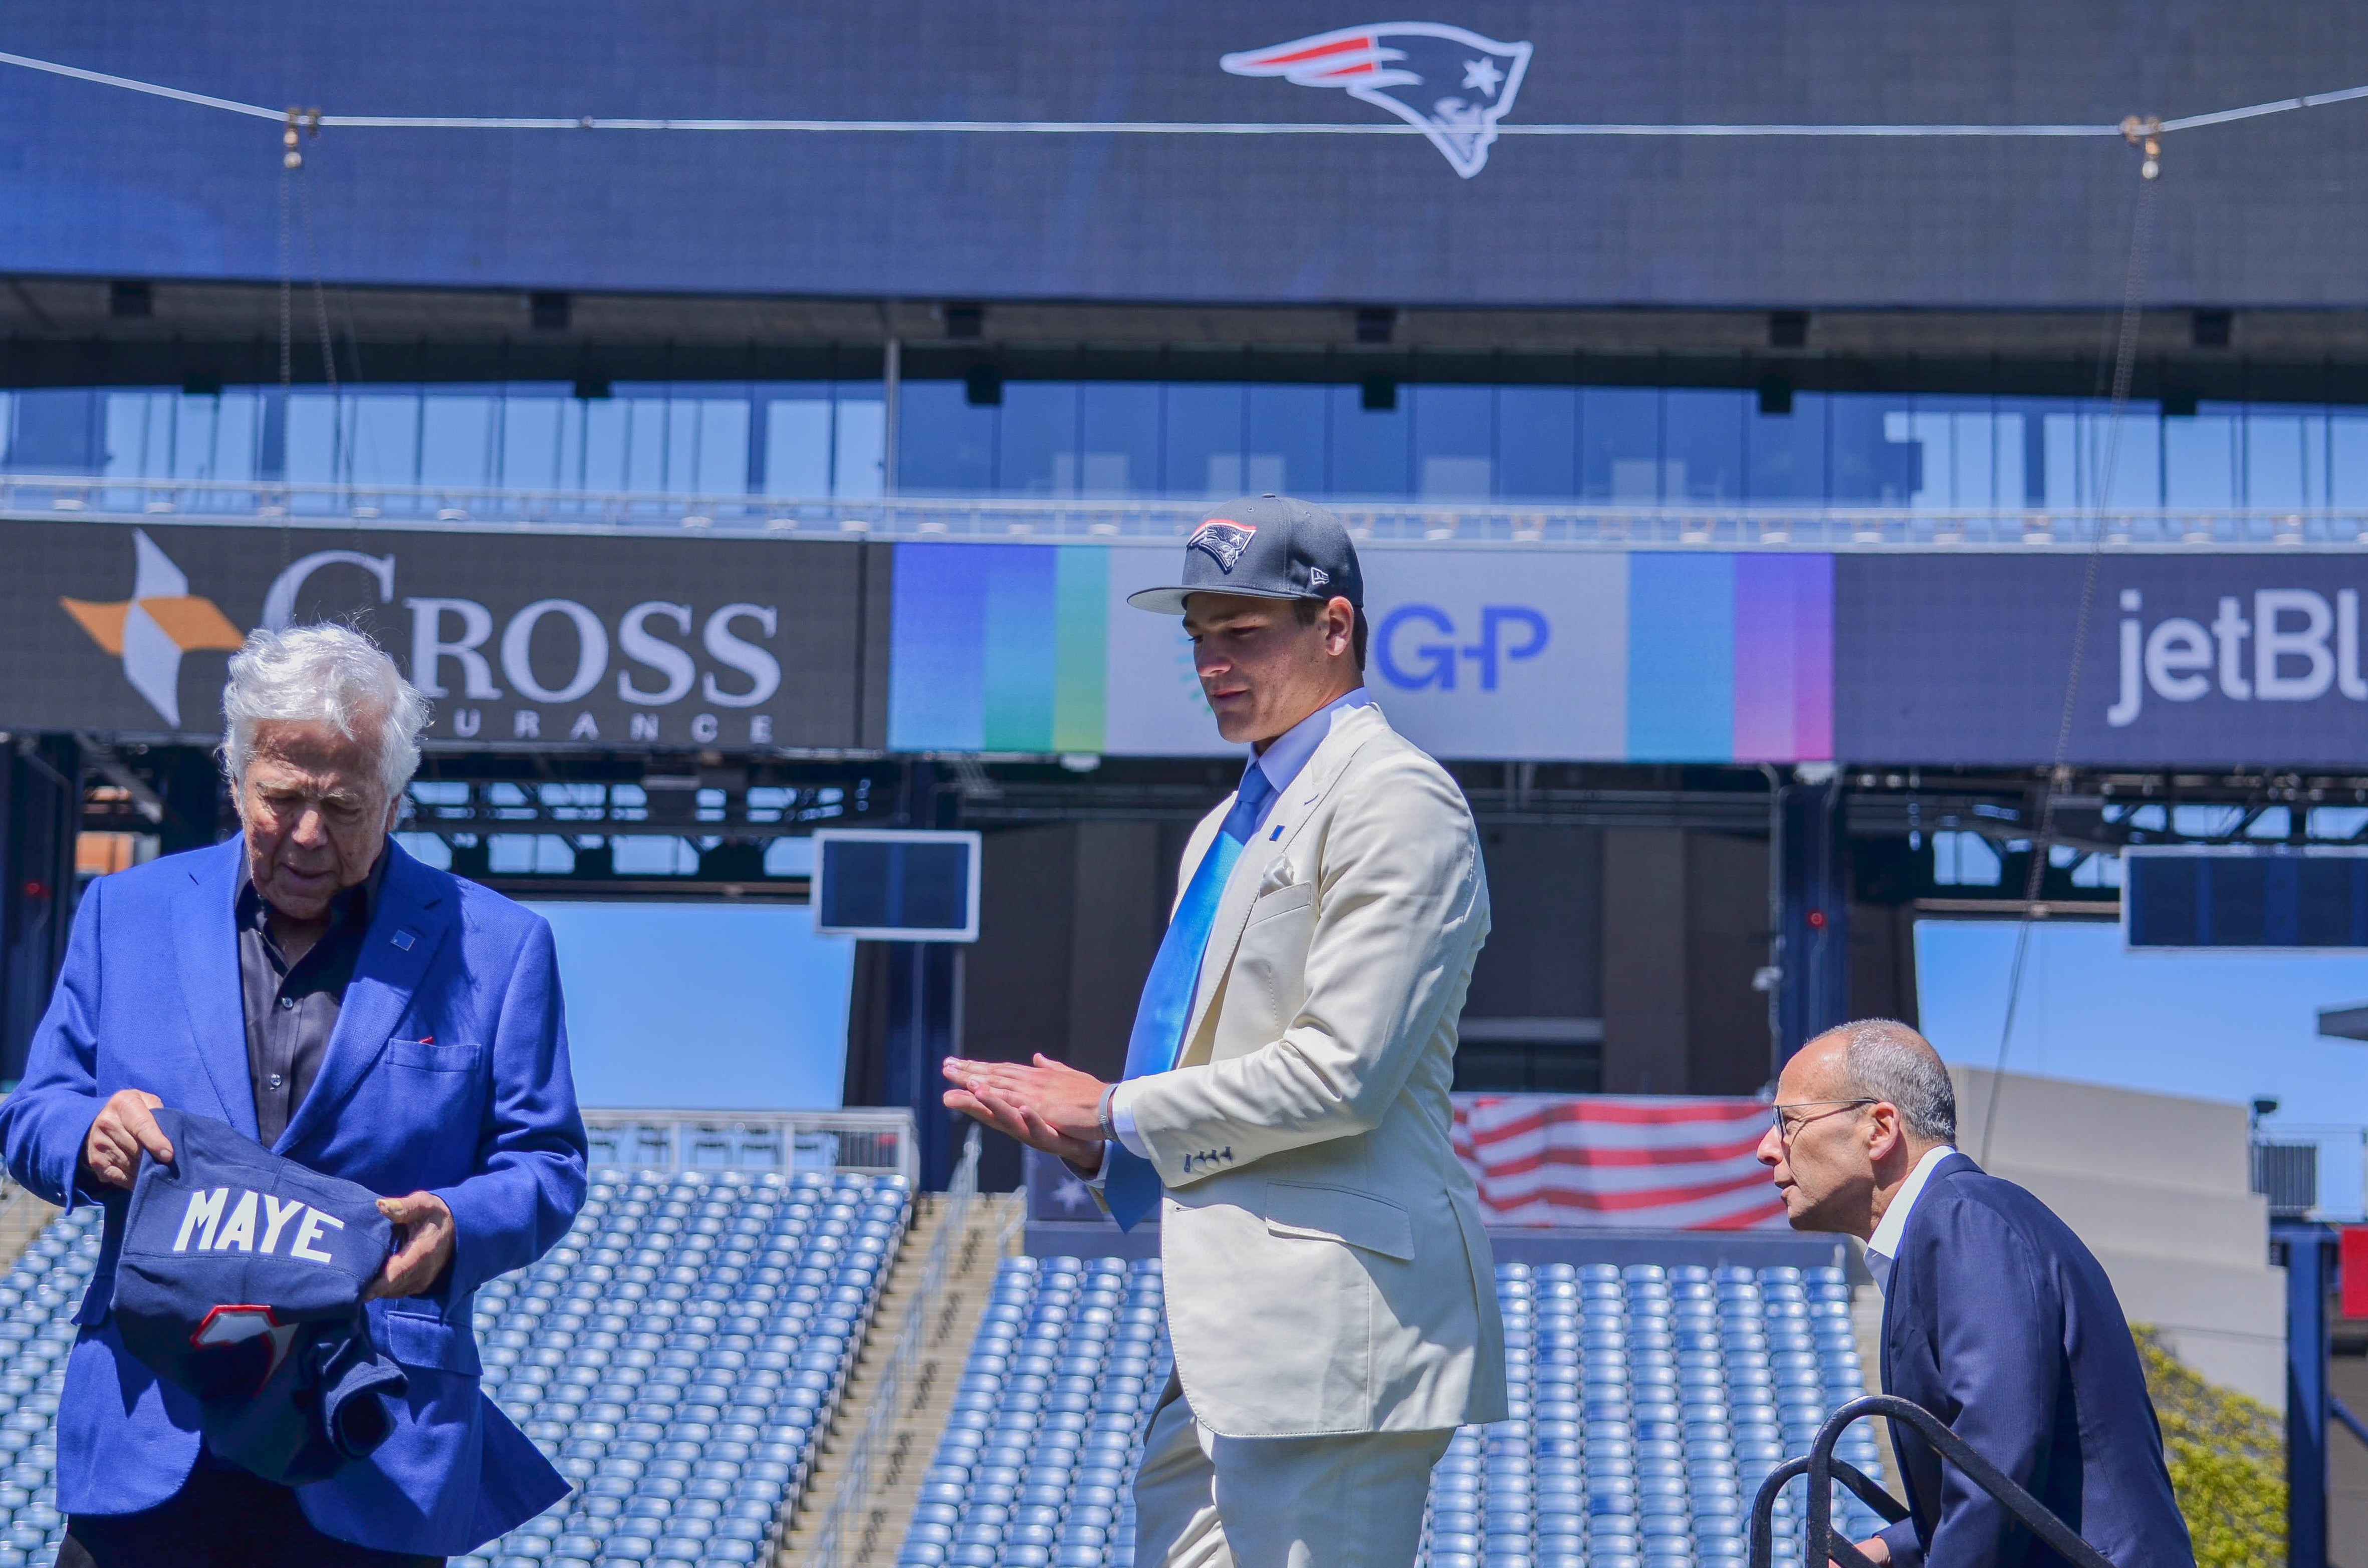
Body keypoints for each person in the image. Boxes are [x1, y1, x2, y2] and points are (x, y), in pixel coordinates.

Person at [940, 495, 1504, 1568]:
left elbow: (1344, 1072)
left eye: (1242, 632)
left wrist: (1115, 1107)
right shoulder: (1226, 821)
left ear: (1333, 628)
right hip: (1225, 1337)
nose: (1211, 662)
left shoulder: (1396, 797)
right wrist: (1105, 1141)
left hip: (1335, 1331)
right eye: (1197, 636)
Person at [0, 624, 588, 1567]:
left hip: (369, 1443)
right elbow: (36, 1109)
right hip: (155, 1425)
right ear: (235, 782)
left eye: (344, 806)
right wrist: (82, 1138)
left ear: (394, 804)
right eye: (282, 799)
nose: (309, 835)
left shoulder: (500, 947)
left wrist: (453, 1224)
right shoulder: (126, 913)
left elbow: (548, 1165)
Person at [1755, 1019, 2194, 1568]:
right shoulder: (1954, 1221)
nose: (1766, 1148)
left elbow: (1997, 1454)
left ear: (1879, 1128)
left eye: (1788, 1122)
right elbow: (2003, 1477)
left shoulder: (1963, 1218)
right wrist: (1887, 1549)